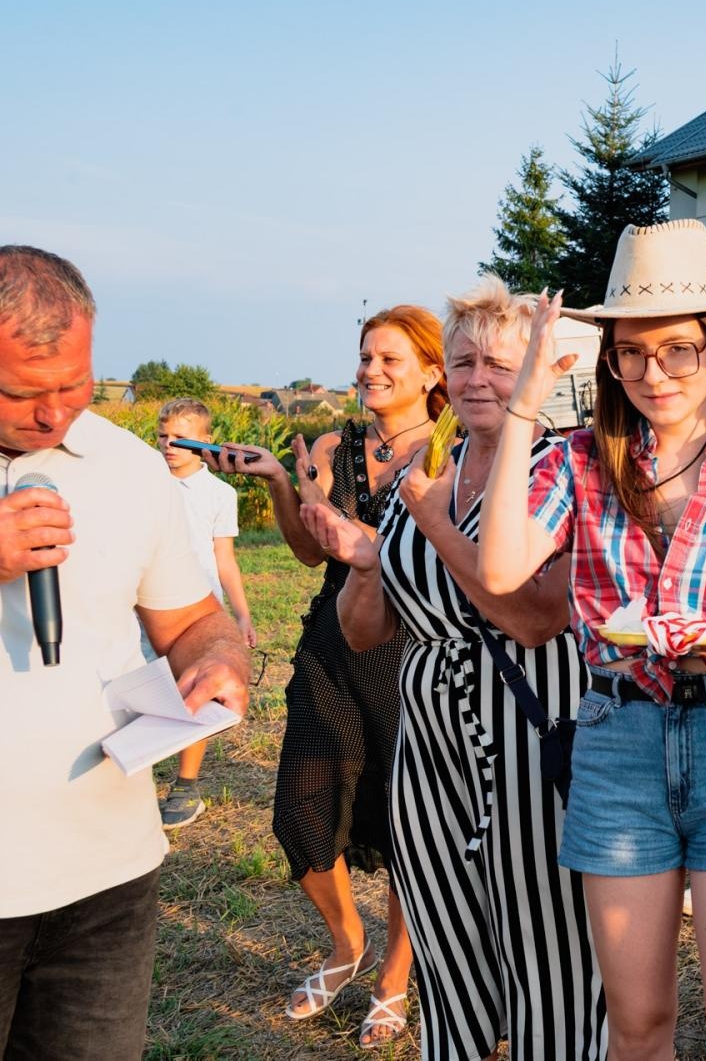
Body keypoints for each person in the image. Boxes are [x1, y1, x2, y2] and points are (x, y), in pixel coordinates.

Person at [478, 219, 706, 1060]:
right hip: (620, 742)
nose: (655, 373)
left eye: (678, 349)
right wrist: (523, 404)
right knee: (639, 1025)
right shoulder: (576, 461)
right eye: (633, 354)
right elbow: (501, 570)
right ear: (609, 361)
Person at [304, 276, 607, 1059]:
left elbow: (535, 616)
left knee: (552, 950)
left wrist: (435, 524)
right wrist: (365, 564)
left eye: (501, 365)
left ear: (538, 372)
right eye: (464, 361)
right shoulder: (426, 471)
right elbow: (366, 635)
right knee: (444, 945)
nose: (478, 380)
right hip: (429, 737)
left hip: (533, 732)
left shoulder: (563, 467)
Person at [0, 245, 250, 1060]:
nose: (54, 413)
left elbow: (192, 620)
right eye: (22, 393)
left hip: (109, 873)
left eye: (74, 385)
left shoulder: (130, 466)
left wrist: (219, 658)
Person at [209, 306, 441, 1046]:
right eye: (365, 356)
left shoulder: (451, 452)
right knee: (302, 809)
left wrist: (363, 538)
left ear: (431, 373)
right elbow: (312, 556)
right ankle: (347, 945)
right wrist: (283, 481)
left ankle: (396, 979)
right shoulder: (336, 446)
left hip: (417, 649)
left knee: (411, 826)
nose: (370, 370)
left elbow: (454, 561)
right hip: (332, 645)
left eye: (389, 360)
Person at [153, 396, 256, 829]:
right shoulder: (144, 482)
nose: (169, 445)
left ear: (207, 442)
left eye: (181, 438)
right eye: (163, 436)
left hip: (199, 610)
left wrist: (242, 615)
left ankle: (185, 783)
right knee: (146, 687)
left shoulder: (220, 493)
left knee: (191, 692)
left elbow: (224, 559)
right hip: (149, 605)